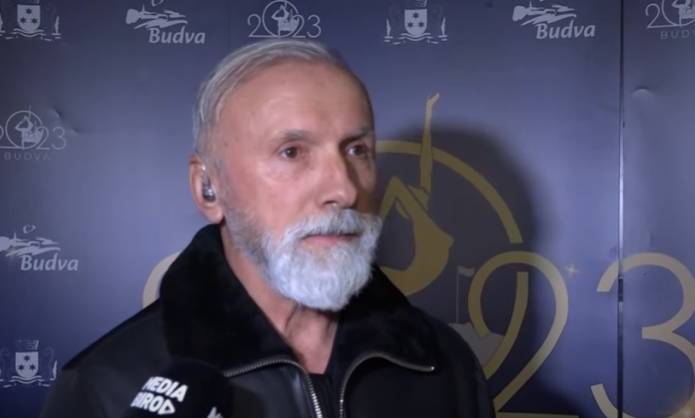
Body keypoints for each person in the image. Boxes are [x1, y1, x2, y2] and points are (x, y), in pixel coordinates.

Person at [40, 39, 494, 418]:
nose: (343, 189)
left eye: (357, 150)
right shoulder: (107, 386)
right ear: (208, 188)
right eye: (292, 152)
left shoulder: (445, 364)